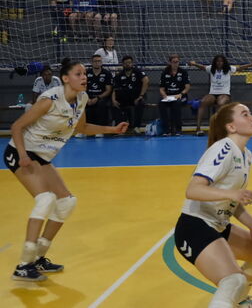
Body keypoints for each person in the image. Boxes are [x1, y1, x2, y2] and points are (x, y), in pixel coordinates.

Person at [5, 59, 128, 281]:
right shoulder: (49, 99)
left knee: (67, 202)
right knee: (45, 200)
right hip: (22, 152)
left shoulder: (81, 99)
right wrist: (23, 156)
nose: (84, 77)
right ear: (65, 78)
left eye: (85, 74)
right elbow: (17, 127)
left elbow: (82, 128)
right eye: (79, 74)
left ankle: (39, 259)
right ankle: (23, 265)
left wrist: (112, 129)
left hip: (42, 157)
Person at [174, 102, 252, 308]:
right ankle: (233, 299)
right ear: (231, 127)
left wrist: (251, 223)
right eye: (245, 114)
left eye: (251, 113)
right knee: (233, 280)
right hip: (194, 226)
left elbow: (230, 200)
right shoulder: (224, 148)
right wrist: (233, 193)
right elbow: (193, 190)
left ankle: (240, 301)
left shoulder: (244, 154)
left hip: (217, 224)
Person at [189, 56, 252, 137]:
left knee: (221, 103)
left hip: (224, 93)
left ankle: (218, 128)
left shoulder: (228, 69)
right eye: (217, 61)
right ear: (215, 62)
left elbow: (240, 68)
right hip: (213, 93)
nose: (219, 63)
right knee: (203, 102)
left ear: (224, 62)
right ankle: (198, 128)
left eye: (221, 61)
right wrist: (194, 64)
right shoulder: (211, 68)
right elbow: (202, 67)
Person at [112, 56, 149, 134]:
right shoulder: (119, 75)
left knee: (140, 103)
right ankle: (119, 127)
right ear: (122, 64)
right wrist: (113, 100)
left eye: (129, 63)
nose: (128, 64)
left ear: (132, 63)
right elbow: (114, 89)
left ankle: (136, 127)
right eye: (125, 63)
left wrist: (141, 96)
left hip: (137, 97)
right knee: (115, 104)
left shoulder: (137, 72)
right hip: (125, 98)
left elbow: (146, 81)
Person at [159, 54, 192, 137]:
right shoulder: (165, 72)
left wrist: (180, 94)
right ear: (170, 62)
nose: (175, 64)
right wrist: (164, 95)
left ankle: (178, 129)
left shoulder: (183, 72)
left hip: (181, 96)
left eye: (177, 62)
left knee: (176, 104)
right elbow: (161, 88)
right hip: (168, 97)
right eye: (173, 62)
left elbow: (187, 87)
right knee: (161, 104)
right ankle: (167, 130)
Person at [85, 54, 113, 132]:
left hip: (101, 97)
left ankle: (99, 130)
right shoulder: (86, 73)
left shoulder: (107, 73)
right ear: (92, 62)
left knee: (101, 105)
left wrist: (97, 98)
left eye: (99, 61)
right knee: (80, 104)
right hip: (88, 97)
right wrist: (87, 99)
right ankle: (84, 129)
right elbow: (82, 89)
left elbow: (108, 90)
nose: (97, 63)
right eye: (95, 61)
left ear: (101, 62)